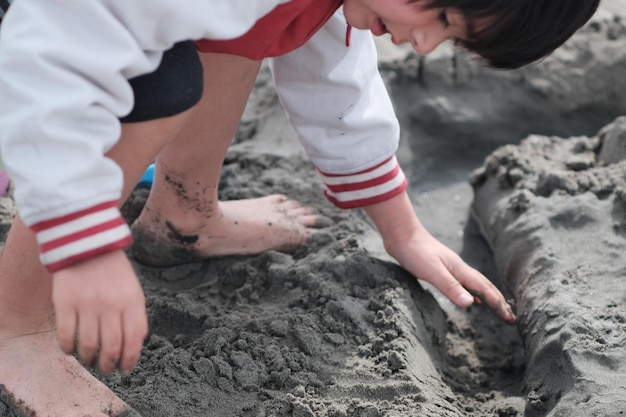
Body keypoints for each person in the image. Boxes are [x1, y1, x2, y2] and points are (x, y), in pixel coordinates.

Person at [0, 0, 599, 415]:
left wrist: (402, 230)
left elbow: (330, 70)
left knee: (242, 30)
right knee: (159, 82)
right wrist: (82, 245)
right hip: (46, 40)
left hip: (77, 35)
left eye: (451, 36)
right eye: (440, 15)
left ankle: (185, 215)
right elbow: (58, 47)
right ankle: (15, 329)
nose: (424, 43)